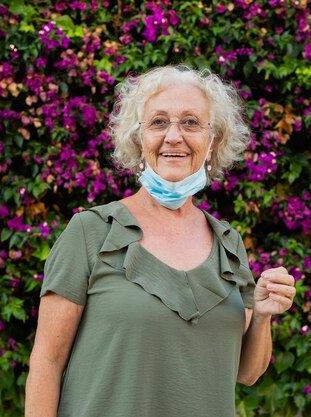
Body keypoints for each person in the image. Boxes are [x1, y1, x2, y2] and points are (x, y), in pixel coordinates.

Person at [25, 65, 296, 417]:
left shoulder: (229, 246)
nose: (173, 136)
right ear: (139, 139)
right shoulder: (91, 232)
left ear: (211, 141)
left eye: (190, 122)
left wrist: (262, 315)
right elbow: (47, 361)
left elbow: (247, 373)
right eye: (158, 122)